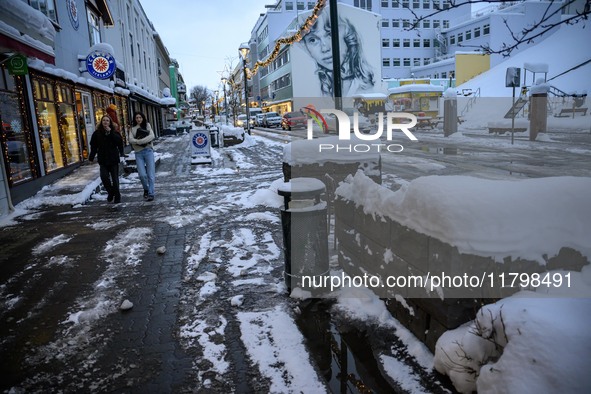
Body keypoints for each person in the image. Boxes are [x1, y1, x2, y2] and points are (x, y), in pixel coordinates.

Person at [300, 8, 375, 97]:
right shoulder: (318, 83)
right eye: (312, 40)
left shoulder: (364, 85)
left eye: (330, 34)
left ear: (348, 37)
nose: (325, 48)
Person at [89, 115, 124, 203]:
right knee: (104, 177)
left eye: (107, 120)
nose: (105, 122)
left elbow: (119, 142)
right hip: (103, 159)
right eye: (104, 120)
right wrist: (91, 157)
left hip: (113, 158)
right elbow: (93, 146)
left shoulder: (114, 132)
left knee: (115, 178)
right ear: (101, 122)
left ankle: (117, 196)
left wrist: (111, 133)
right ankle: (111, 192)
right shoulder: (97, 133)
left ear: (110, 123)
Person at [128, 111, 156, 201]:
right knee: (142, 175)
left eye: (140, 117)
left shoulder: (147, 125)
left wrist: (139, 141)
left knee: (150, 174)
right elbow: (130, 140)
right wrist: (140, 141)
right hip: (138, 153)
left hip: (148, 151)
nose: (138, 119)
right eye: (137, 118)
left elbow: (152, 136)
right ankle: (146, 189)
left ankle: (151, 193)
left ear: (143, 118)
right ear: (135, 119)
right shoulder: (132, 128)